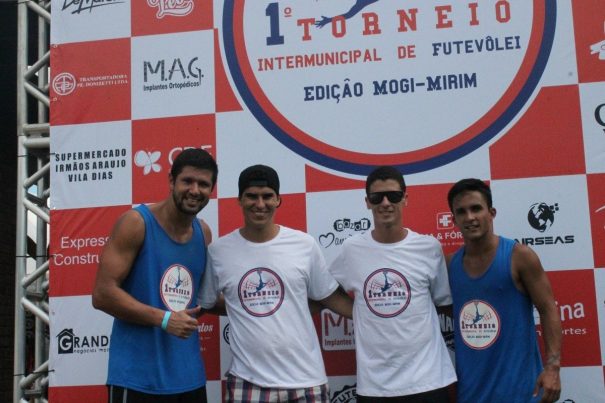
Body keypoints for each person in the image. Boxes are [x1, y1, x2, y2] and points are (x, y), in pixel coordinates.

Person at [198, 164, 352, 403]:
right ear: (239, 200)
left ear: (278, 199)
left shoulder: (304, 244)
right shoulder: (219, 252)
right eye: (251, 196)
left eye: (267, 196)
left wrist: (376, 314)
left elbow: (328, 297)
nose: (260, 204)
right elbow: (206, 303)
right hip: (246, 383)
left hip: (305, 382)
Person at [92, 148, 218, 403]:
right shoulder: (136, 223)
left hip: (189, 378)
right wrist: (163, 319)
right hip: (137, 380)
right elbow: (102, 294)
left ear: (211, 190)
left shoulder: (203, 233)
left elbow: (202, 302)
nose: (195, 190)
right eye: (187, 181)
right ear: (171, 181)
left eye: (203, 184)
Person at [328, 165, 456, 402]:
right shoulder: (351, 250)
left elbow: (443, 302)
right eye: (377, 197)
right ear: (367, 202)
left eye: (393, 196)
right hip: (376, 387)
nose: (385, 203)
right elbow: (325, 292)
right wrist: (360, 310)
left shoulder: (428, 248)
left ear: (405, 199)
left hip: (428, 381)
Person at [446, 178, 562, 403]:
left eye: (476, 208)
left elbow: (548, 309)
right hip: (471, 395)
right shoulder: (449, 266)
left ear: (492, 213)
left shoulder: (519, 256)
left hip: (522, 394)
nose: (470, 217)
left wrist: (553, 368)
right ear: (454, 220)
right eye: (461, 212)